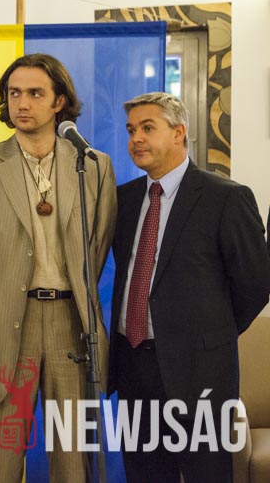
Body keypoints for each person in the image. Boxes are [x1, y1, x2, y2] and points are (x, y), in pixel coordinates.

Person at [0, 53, 117, 482]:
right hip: (6, 328)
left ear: (59, 102)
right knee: (3, 463)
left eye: (35, 93)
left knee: (73, 464)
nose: (22, 103)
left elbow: (96, 248)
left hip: (71, 326)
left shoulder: (93, 166)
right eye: (14, 93)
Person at [109, 92, 270, 483]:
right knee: (144, 475)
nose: (136, 139)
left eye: (148, 128)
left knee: (206, 475)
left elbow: (255, 284)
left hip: (201, 375)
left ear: (179, 133)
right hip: (134, 367)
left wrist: (209, 335)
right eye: (131, 130)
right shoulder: (123, 200)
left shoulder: (225, 198)